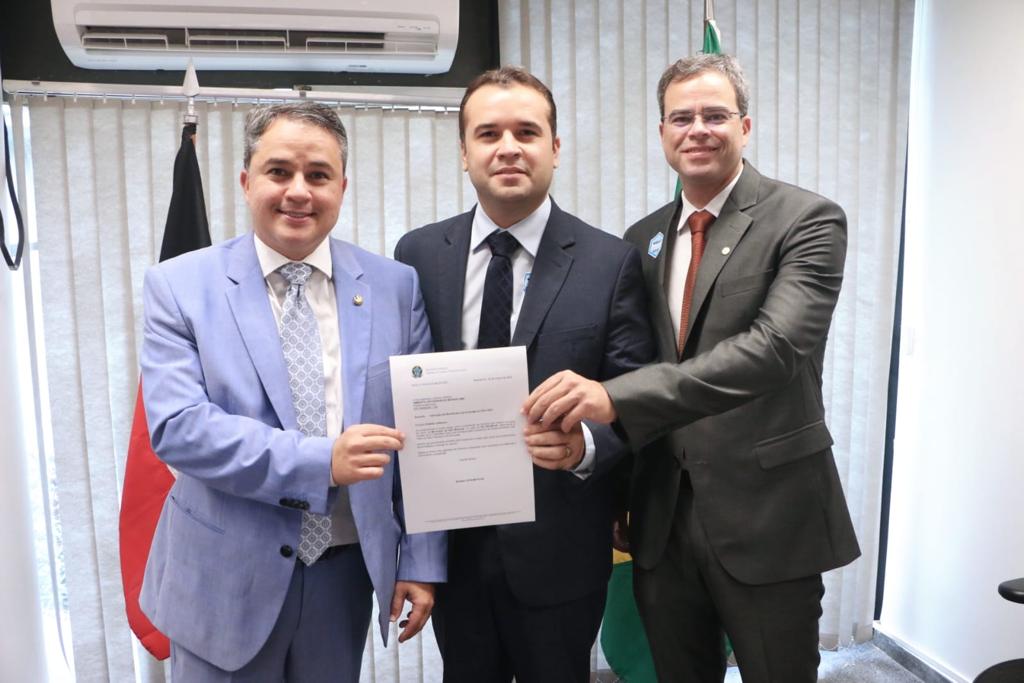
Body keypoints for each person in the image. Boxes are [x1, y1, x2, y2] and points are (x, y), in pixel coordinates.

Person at [523, 54, 861, 683]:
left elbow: (774, 349)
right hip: (660, 520)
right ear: (662, 133)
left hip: (769, 515)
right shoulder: (641, 239)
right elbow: (635, 359)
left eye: (715, 115)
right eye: (681, 118)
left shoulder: (806, 219)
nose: (697, 129)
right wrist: (616, 488)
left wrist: (614, 397)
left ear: (745, 126)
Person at [139, 101, 446, 682]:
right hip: (221, 578)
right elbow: (179, 428)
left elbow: (422, 433)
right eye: (279, 171)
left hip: (344, 574)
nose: (298, 191)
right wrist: (323, 461)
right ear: (246, 181)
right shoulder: (178, 285)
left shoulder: (395, 287)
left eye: (318, 175)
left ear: (342, 187)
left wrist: (422, 558)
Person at [394, 66, 654, 683]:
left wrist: (584, 445)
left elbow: (638, 392)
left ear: (554, 148)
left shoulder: (609, 261)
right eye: (488, 134)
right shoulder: (418, 254)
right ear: (465, 152)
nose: (508, 147)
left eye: (527, 132)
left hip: (558, 548)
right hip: (452, 550)